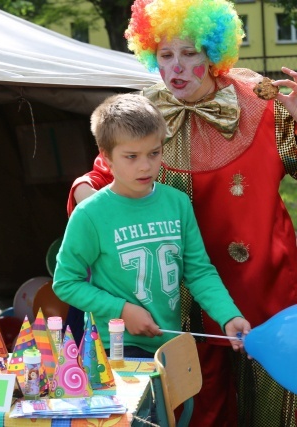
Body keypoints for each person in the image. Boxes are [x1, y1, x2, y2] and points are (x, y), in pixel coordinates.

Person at [66, 1, 297, 425]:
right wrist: (87, 200)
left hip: (260, 282)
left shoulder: (263, 104)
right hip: (176, 292)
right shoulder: (146, 110)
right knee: (195, 403)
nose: (176, 67)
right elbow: (103, 176)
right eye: (166, 54)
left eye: (189, 53)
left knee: (270, 402)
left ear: (213, 53)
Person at [53, 93, 249, 362]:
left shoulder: (178, 203)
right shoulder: (90, 214)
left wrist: (229, 315)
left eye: (154, 153)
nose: (145, 166)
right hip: (115, 348)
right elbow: (66, 282)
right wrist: (121, 310)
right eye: (131, 156)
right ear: (106, 157)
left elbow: (199, 272)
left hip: (168, 346)